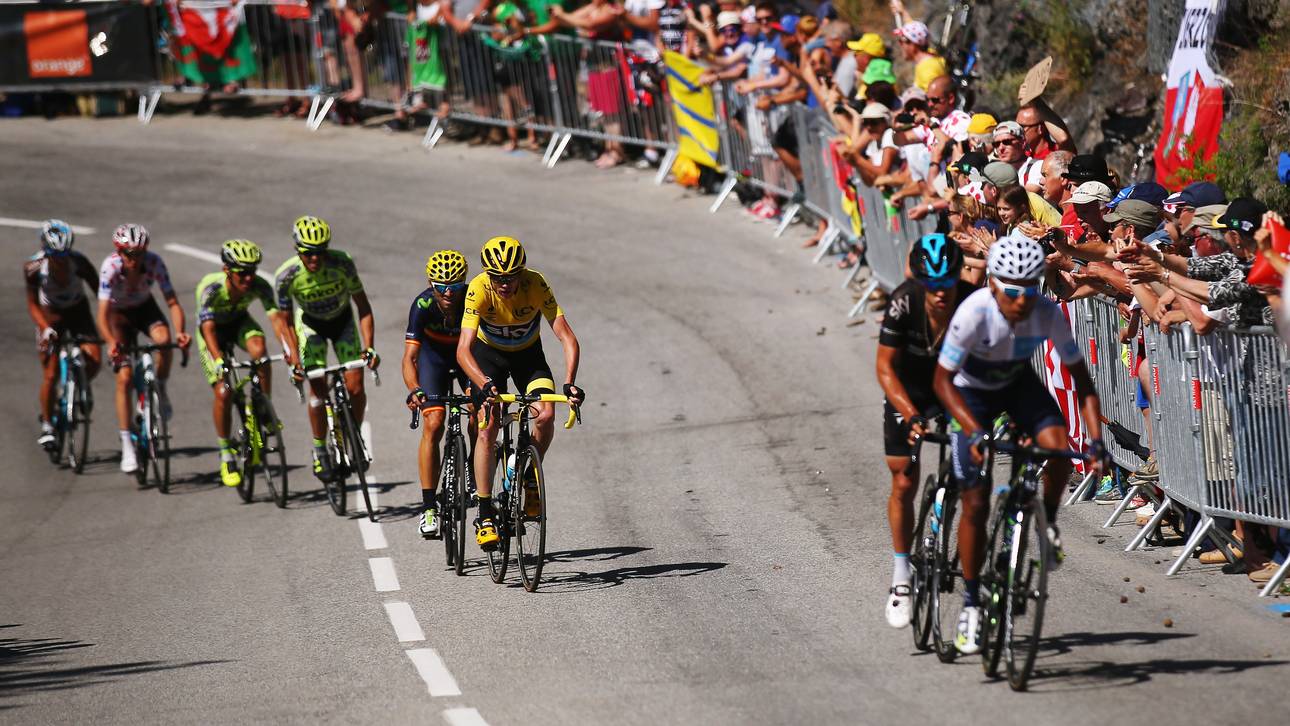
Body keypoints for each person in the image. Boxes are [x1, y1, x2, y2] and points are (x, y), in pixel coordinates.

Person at [933, 233, 1106, 655]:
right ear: (992, 284)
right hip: (970, 393)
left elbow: (1082, 381)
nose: (1022, 300)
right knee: (974, 501)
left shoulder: (1046, 312)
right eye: (1013, 291)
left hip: (1015, 385)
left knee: (1058, 444)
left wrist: (1097, 441)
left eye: (1031, 290)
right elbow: (941, 381)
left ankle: (1046, 521)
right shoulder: (973, 312)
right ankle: (971, 605)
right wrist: (972, 430)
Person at [456, 236, 584, 550]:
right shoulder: (478, 288)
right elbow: (463, 350)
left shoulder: (536, 284)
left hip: (529, 358)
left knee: (546, 413)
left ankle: (527, 474)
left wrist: (569, 382)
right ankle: (485, 513)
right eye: (498, 277)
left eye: (510, 277)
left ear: (521, 273)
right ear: (489, 275)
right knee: (487, 428)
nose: (504, 284)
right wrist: (483, 384)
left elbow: (567, 337)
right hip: (490, 359)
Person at [876, 234, 973, 627]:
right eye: (932, 286)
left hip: (955, 386)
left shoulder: (970, 300)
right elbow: (884, 368)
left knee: (972, 482)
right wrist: (912, 416)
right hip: (910, 390)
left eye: (947, 283)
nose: (940, 294)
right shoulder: (903, 302)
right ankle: (901, 574)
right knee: (903, 479)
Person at [275, 216, 380, 482]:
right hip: (311, 327)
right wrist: (294, 360)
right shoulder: (286, 276)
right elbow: (285, 322)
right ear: (298, 250)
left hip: (342, 321)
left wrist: (369, 348)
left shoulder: (342, 262)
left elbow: (364, 308)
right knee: (318, 389)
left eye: (321, 252)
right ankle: (320, 448)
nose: (315, 259)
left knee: (355, 385)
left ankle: (354, 436)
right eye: (309, 253)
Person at [97, 224, 192, 474]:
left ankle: (159, 386)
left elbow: (172, 302)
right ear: (119, 252)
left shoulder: (155, 263)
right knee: (124, 378)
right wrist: (111, 342)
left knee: (164, 340)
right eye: (129, 254)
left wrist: (181, 331)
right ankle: (127, 442)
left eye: (139, 253)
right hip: (119, 316)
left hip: (144, 308)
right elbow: (102, 314)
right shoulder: (111, 267)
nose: (134, 260)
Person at [196, 240, 286, 487]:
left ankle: (264, 407)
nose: (249, 278)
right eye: (242, 273)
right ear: (227, 270)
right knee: (224, 392)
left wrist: (289, 350)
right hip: (212, 334)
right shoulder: (210, 289)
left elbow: (277, 320)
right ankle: (226, 454)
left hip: (238, 323)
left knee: (260, 350)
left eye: (252, 271)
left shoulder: (259, 285)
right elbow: (207, 328)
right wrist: (217, 361)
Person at [403, 250, 472, 539]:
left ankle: (473, 464)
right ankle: (429, 507)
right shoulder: (422, 304)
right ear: (431, 284)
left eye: (454, 286)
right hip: (434, 360)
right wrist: (414, 389)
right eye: (441, 285)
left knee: (482, 417)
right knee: (433, 424)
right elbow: (410, 358)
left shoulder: (473, 298)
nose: (447, 292)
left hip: (466, 357)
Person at [25, 220, 102, 450]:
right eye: (54, 256)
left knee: (95, 359)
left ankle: (79, 386)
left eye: (64, 255)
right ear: (46, 253)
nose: (60, 260)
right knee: (50, 374)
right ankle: (48, 425)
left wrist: (108, 325)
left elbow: (101, 293)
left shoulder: (79, 263)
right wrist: (44, 328)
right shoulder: (33, 267)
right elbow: (32, 304)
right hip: (50, 316)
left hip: (78, 311)